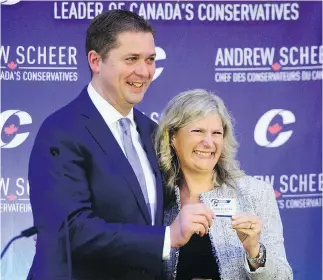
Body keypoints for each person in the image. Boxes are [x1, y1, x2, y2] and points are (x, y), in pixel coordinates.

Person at [27, 11, 214, 280]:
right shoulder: (60, 131)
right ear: (96, 61)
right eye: (131, 59)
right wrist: (166, 237)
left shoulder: (152, 132)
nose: (144, 71)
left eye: (150, 59)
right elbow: (69, 230)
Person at [154, 89, 293, 280]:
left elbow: (284, 277)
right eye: (198, 131)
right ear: (172, 137)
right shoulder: (154, 197)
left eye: (216, 133)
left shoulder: (255, 193)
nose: (208, 142)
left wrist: (255, 252)